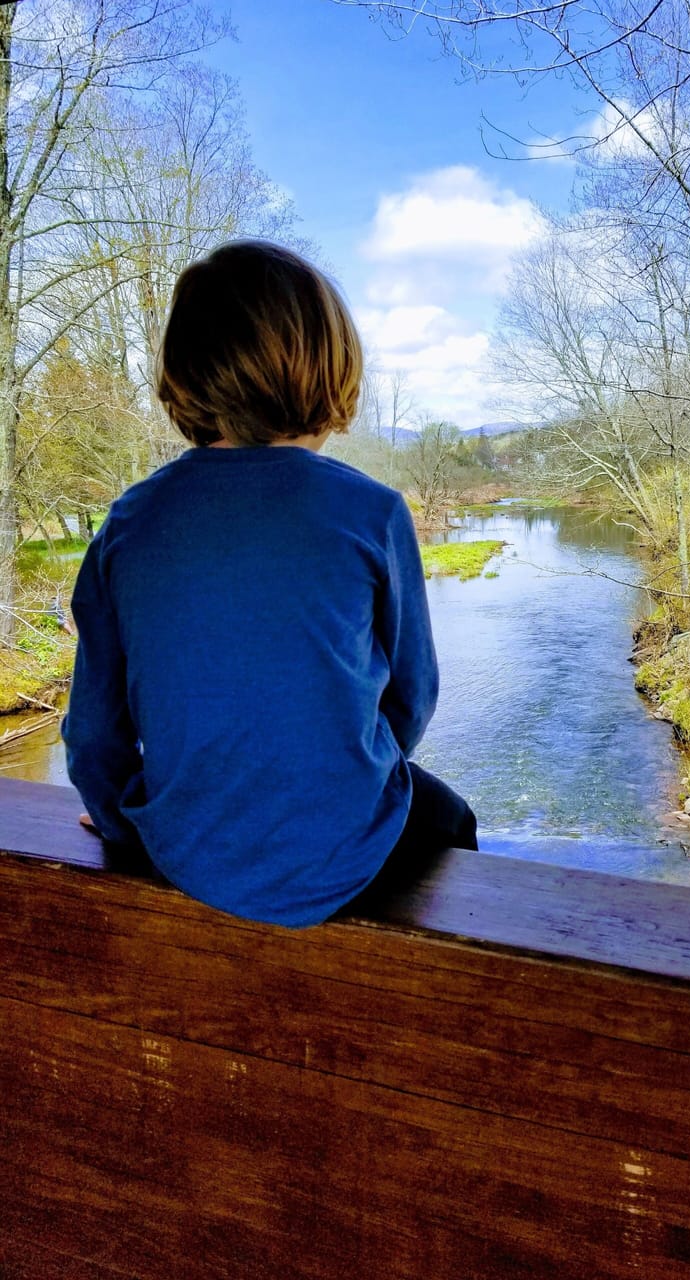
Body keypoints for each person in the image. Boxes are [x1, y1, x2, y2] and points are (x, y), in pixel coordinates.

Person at [62, 240, 477, 927]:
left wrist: (119, 822)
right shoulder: (372, 512)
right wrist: (342, 776)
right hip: (344, 854)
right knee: (453, 819)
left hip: (186, 848)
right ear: (328, 367)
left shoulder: (129, 523)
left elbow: (93, 736)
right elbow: (412, 699)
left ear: (187, 373)